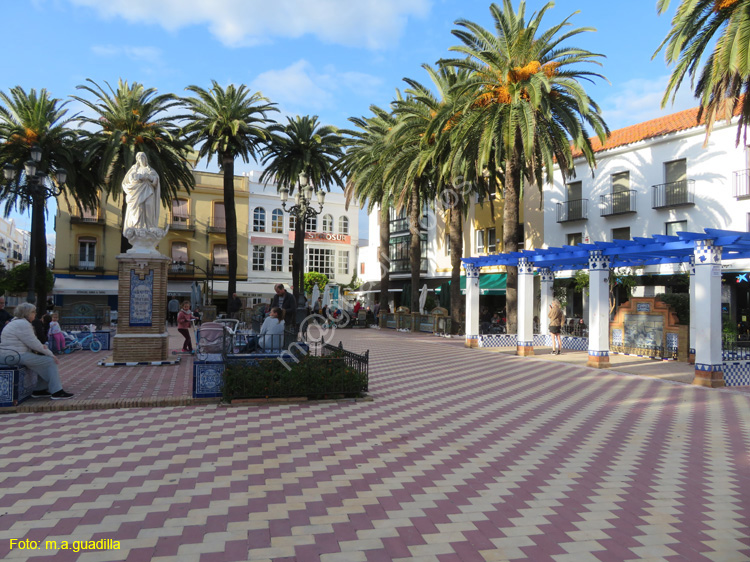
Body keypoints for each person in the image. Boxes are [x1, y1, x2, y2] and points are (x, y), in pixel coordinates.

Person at [1, 302, 73, 399]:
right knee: (50, 361)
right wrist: (51, 354)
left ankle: (40, 390)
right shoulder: (22, 324)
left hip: (11, 354)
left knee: (43, 360)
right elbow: (33, 342)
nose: (35, 314)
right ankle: (57, 391)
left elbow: (31, 342)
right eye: (33, 312)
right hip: (14, 355)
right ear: (27, 313)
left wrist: (44, 351)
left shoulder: (17, 322)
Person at [122, 151, 160, 232]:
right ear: (137, 160)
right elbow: (129, 179)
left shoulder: (150, 170)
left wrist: (150, 177)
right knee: (139, 208)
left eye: (142, 157)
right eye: (139, 158)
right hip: (138, 192)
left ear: (145, 159)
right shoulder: (134, 169)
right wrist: (140, 177)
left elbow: (156, 180)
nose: (140, 159)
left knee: (149, 205)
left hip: (149, 191)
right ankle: (139, 227)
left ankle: (150, 226)